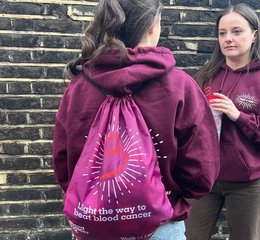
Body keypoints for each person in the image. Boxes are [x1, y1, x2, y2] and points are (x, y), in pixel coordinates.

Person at [52, 0, 220, 239]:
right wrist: (159, 193)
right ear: (153, 24)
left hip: (94, 226)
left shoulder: (79, 88)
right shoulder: (180, 86)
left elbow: (63, 165)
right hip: (162, 225)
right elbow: (201, 175)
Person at [185, 3, 260, 240]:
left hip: (248, 183)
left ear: (254, 35)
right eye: (222, 33)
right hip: (205, 180)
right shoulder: (205, 76)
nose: (228, 39)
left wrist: (239, 116)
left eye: (236, 31)